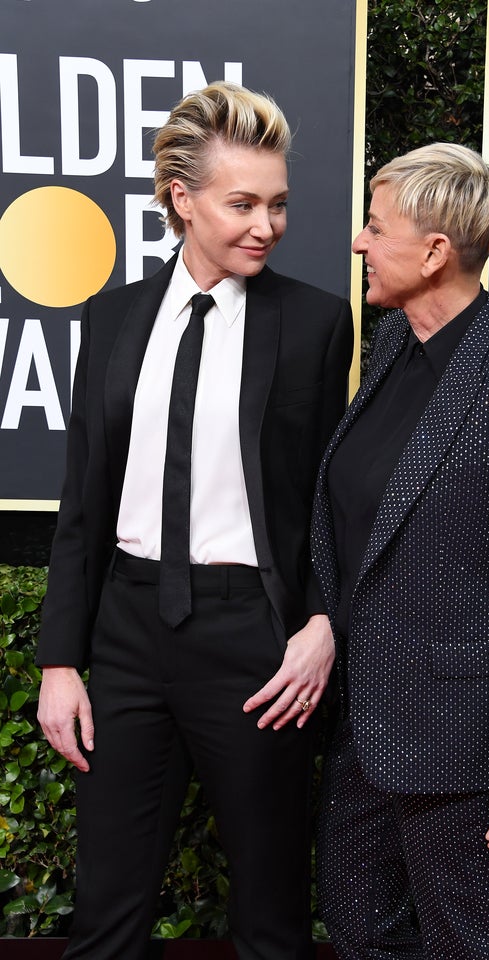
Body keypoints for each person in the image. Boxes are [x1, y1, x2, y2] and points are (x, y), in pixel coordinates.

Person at [36, 81, 353, 960]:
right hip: (128, 632)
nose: (267, 224)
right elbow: (84, 500)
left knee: (272, 919)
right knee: (105, 915)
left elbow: (334, 501)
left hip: (252, 639)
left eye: (279, 204)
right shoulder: (112, 317)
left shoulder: (316, 324)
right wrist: (62, 661)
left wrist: (323, 622)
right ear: (183, 198)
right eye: (243, 203)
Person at [310, 142, 489, 960]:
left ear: (435, 252)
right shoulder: (393, 347)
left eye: (374, 226)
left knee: (466, 942)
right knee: (360, 928)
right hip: (363, 726)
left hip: (458, 744)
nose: (359, 243)